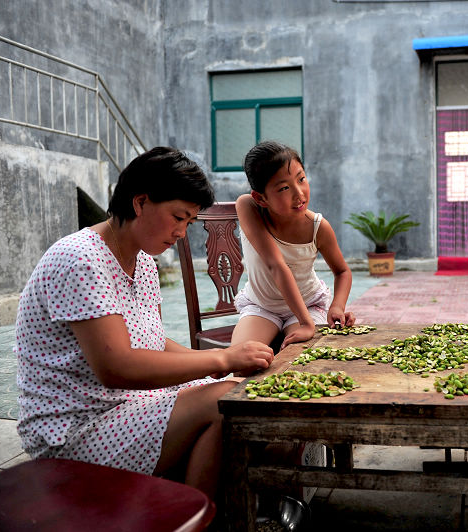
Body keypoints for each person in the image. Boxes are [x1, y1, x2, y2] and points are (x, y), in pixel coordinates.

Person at [15, 147, 276, 498]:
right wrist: (222, 359)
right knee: (221, 403)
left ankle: (214, 506)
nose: (182, 233)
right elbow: (117, 367)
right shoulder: (80, 260)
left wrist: (212, 368)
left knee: (237, 395)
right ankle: (195, 518)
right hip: (76, 431)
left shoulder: (142, 262)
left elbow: (152, 340)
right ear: (140, 202)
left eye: (189, 223)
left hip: (130, 407)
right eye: (178, 217)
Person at [231, 140, 355, 350]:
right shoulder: (248, 206)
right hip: (262, 306)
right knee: (243, 360)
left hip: (307, 305)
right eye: (284, 188)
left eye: (302, 179)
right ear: (261, 198)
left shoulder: (318, 227)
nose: (299, 193)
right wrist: (307, 325)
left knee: (301, 360)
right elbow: (277, 265)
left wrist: (337, 306)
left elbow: (342, 271)